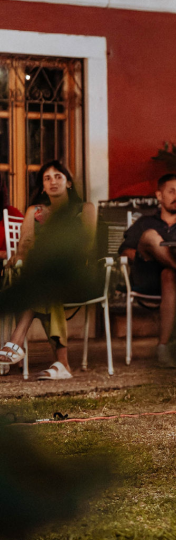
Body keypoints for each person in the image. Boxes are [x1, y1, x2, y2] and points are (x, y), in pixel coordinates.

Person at [0, 162, 96, 379]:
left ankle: (15, 341)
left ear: (68, 182)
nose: (53, 181)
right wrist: (20, 256)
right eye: (47, 178)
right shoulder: (35, 212)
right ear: (42, 187)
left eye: (58, 176)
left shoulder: (85, 209)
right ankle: (63, 365)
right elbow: (24, 246)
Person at [118, 174, 176, 367]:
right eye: (171, 191)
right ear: (159, 195)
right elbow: (126, 250)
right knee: (150, 236)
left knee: (169, 273)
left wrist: (171, 259)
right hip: (147, 277)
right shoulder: (145, 222)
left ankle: (163, 347)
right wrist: (154, 255)